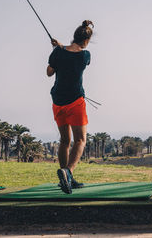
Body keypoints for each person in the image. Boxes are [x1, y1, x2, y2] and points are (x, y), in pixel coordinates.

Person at [46, 20, 94, 194]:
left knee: (64, 141)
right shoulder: (85, 56)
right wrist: (59, 49)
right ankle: (68, 172)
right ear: (87, 40)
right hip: (75, 102)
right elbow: (74, 54)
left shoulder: (58, 53)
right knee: (80, 140)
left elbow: (49, 72)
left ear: (74, 36)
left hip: (58, 102)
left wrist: (57, 49)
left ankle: (66, 181)